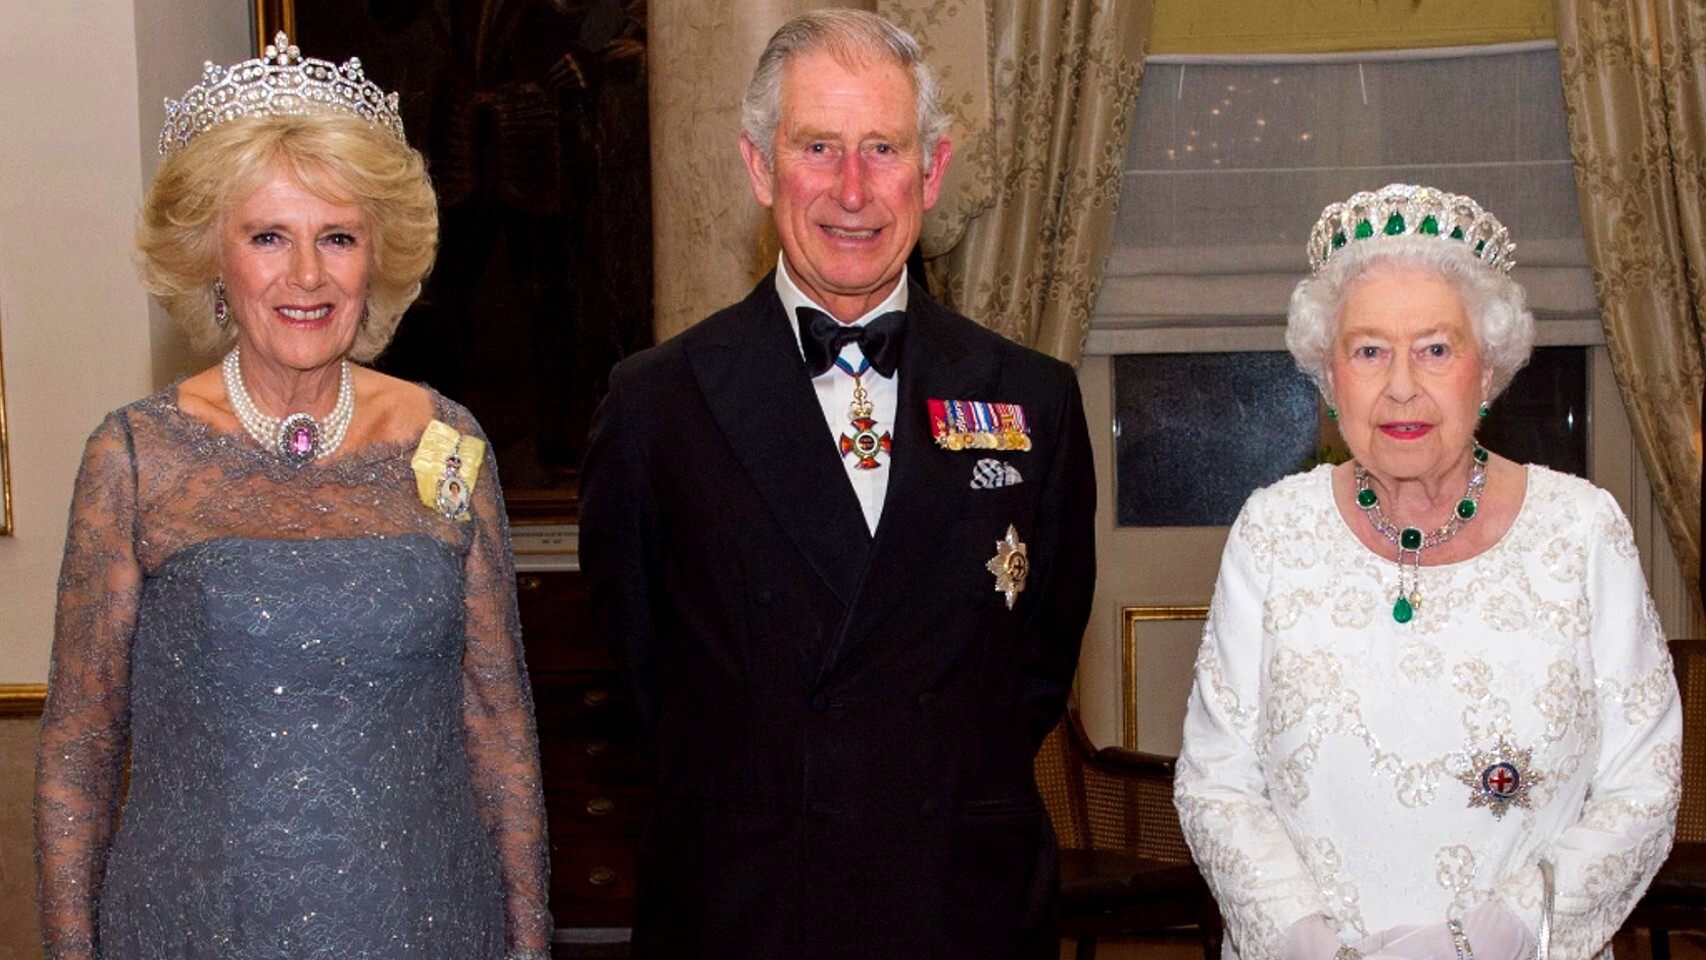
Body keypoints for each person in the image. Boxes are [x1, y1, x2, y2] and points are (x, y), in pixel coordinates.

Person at [579, 10, 1096, 958]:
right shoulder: (656, 406)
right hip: (748, 907)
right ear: (759, 166)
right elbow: (647, 669)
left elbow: (1036, 664)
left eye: (883, 149)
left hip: (961, 906)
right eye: (817, 146)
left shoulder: (1034, 400)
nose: (852, 190)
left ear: (931, 172)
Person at [33, 35, 552, 960]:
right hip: (197, 927)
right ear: (214, 263)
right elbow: (80, 743)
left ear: (375, 258)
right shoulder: (137, 457)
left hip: (425, 922)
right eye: (269, 236)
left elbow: (498, 720)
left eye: (337, 238)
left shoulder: (448, 442)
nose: (306, 276)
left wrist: (527, 941)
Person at [1174, 183, 1680, 960]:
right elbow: (1218, 781)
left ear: (1488, 371)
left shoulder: (1583, 531)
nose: (1401, 384)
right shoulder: (1273, 531)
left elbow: (1642, 787)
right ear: (1329, 375)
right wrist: (1311, 946)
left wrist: (1500, 935)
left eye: (1436, 349)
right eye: (1369, 350)